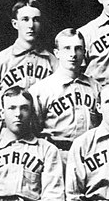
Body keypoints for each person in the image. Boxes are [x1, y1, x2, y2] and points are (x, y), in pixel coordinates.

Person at [0, 0, 57, 139]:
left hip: (44, 138)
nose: (31, 25)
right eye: (25, 19)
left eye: (36, 20)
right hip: (8, 140)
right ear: (15, 24)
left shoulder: (54, 63)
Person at [29, 28, 101, 160]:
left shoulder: (96, 87)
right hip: (56, 156)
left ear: (84, 52)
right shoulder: (41, 90)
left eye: (78, 48)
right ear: (57, 53)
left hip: (91, 155)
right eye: (67, 48)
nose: (73, 54)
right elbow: (32, 132)